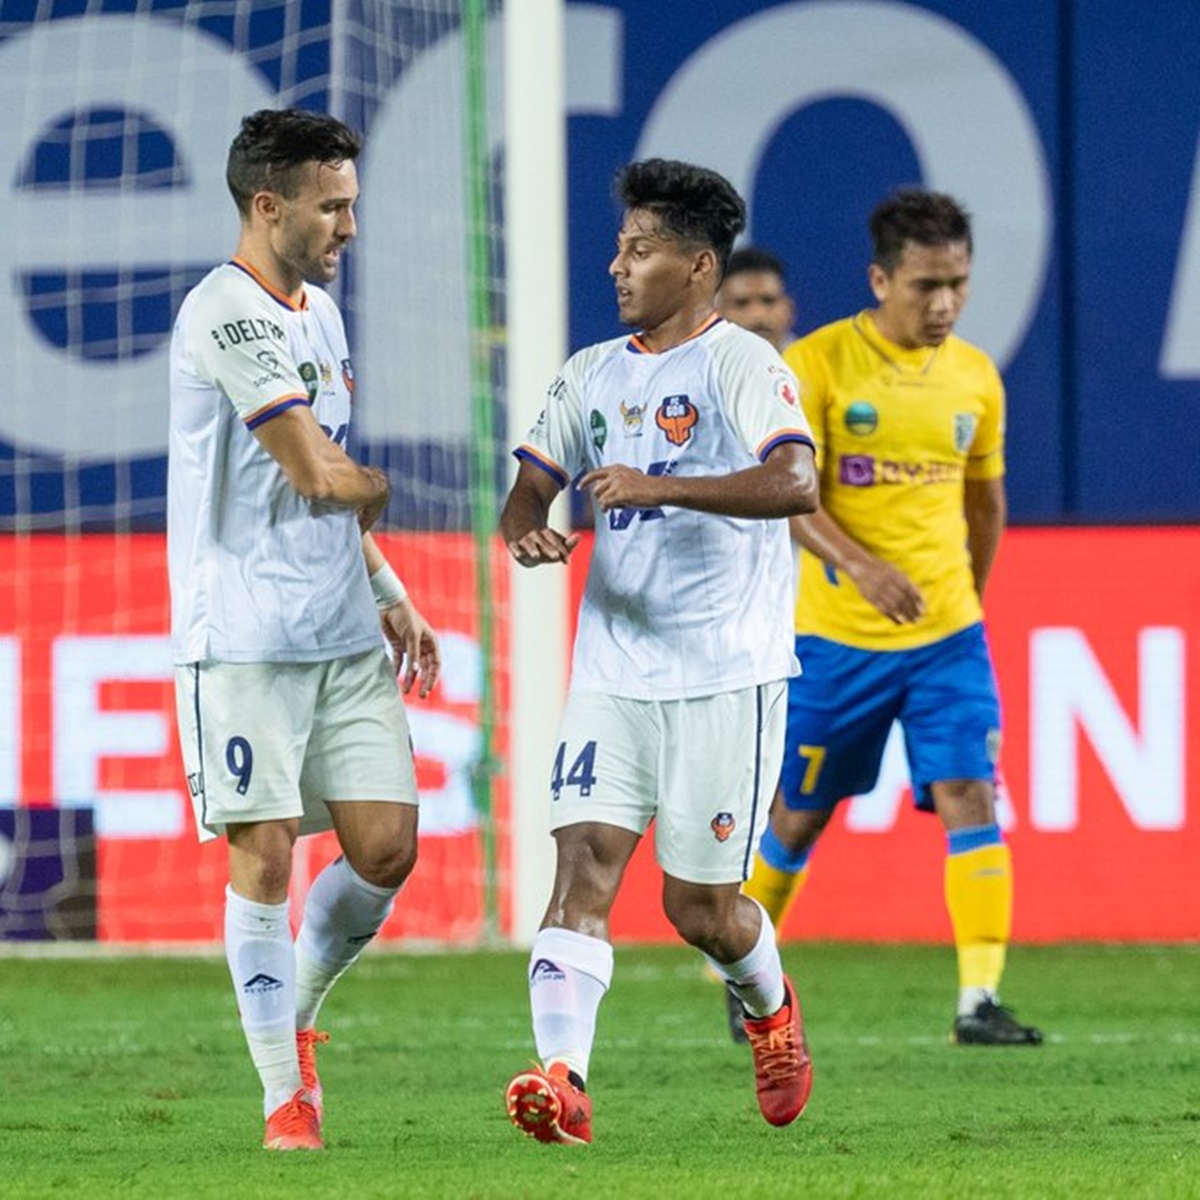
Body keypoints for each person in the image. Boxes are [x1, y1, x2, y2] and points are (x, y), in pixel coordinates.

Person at [499, 158, 820, 1146]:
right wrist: (528, 529)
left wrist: (665, 486)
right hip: (613, 670)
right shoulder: (591, 371)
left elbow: (796, 484)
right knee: (582, 867)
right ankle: (566, 1078)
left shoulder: (745, 365)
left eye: (637, 250)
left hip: (726, 676)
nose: (616, 265)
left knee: (701, 909)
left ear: (695, 263)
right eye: (619, 246)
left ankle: (769, 1009)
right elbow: (528, 487)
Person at [168, 108, 441, 1151]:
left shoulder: (320, 315)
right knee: (266, 854)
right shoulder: (224, 315)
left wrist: (388, 583)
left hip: (339, 633)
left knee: (387, 848)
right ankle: (288, 1096)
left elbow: (336, 495)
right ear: (268, 205)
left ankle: (299, 1017)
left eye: (354, 205)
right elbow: (316, 471)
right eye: (333, 207)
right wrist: (370, 487)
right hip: (241, 639)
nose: (350, 227)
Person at [731, 188, 1042, 1047]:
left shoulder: (975, 376)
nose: (943, 304)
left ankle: (978, 1000)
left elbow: (986, 501)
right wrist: (862, 569)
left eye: (958, 285)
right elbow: (788, 497)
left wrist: (964, 595)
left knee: (970, 793)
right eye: (925, 286)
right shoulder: (822, 364)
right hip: (837, 638)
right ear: (880, 278)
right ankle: (747, 966)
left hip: (947, 636)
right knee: (799, 811)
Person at [716, 246, 798, 352]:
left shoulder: (811, 364)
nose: (757, 314)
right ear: (717, 313)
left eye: (768, 301)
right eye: (741, 303)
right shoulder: (698, 366)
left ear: (788, 308)